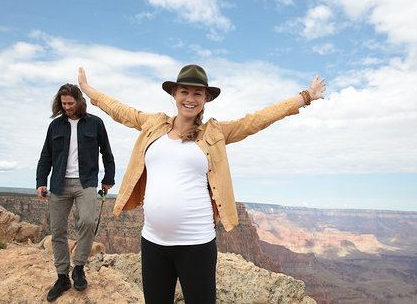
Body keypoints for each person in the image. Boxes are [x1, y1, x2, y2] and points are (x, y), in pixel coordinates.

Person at [78, 64, 325, 304]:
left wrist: (305, 97)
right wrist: (88, 90)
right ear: (174, 94)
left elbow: (257, 120)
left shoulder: (214, 133)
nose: (190, 98)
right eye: (184, 91)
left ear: (205, 98)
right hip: (153, 242)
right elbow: (120, 111)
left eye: (197, 93)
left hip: (196, 244)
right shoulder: (153, 125)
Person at [36, 83, 115, 302]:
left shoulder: (96, 124)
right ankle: (62, 276)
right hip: (59, 183)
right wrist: (41, 182)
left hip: (86, 182)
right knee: (58, 230)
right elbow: (45, 156)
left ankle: (78, 268)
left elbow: (107, 152)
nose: (67, 107)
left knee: (88, 221)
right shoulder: (55, 127)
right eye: (64, 103)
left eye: (71, 103)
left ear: (80, 101)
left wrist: (109, 179)